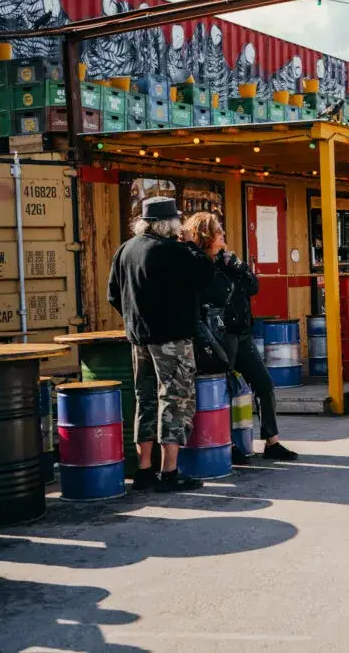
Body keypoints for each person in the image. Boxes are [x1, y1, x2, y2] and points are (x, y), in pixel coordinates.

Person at [107, 197, 213, 493]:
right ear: (169, 224)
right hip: (172, 339)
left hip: (139, 338)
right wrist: (191, 244)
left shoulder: (125, 250)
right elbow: (205, 274)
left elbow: (113, 295)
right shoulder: (174, 250)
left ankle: (143, 471)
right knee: (175, 400)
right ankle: (169, 472)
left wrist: (137, 320)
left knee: (146, 398)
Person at [183, 212, 299, 462]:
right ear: (205, 236)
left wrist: (241, 267)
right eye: (218, 231)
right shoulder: (200, 265)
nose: (223, 235)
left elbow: (254, 287)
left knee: (264, 383)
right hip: (218, 336)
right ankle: (228, 443)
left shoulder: (228, 261)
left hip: (242, 334)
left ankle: (272, 441)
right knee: (222, 390)